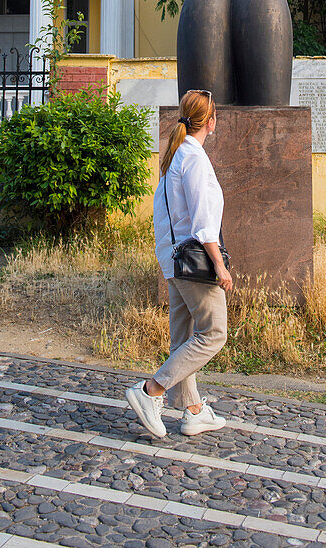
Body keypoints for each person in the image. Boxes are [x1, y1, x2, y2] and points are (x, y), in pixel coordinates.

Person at [125, 89, 233, 439]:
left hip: (173, 259)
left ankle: (194, 412)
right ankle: (150, 391)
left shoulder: (175, 156)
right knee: (214, 333)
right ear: (211, 122)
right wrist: (219, 265)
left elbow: (164, 213)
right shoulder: (195, 158)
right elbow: (203, 221)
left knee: (183, 338)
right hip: (194, 263)